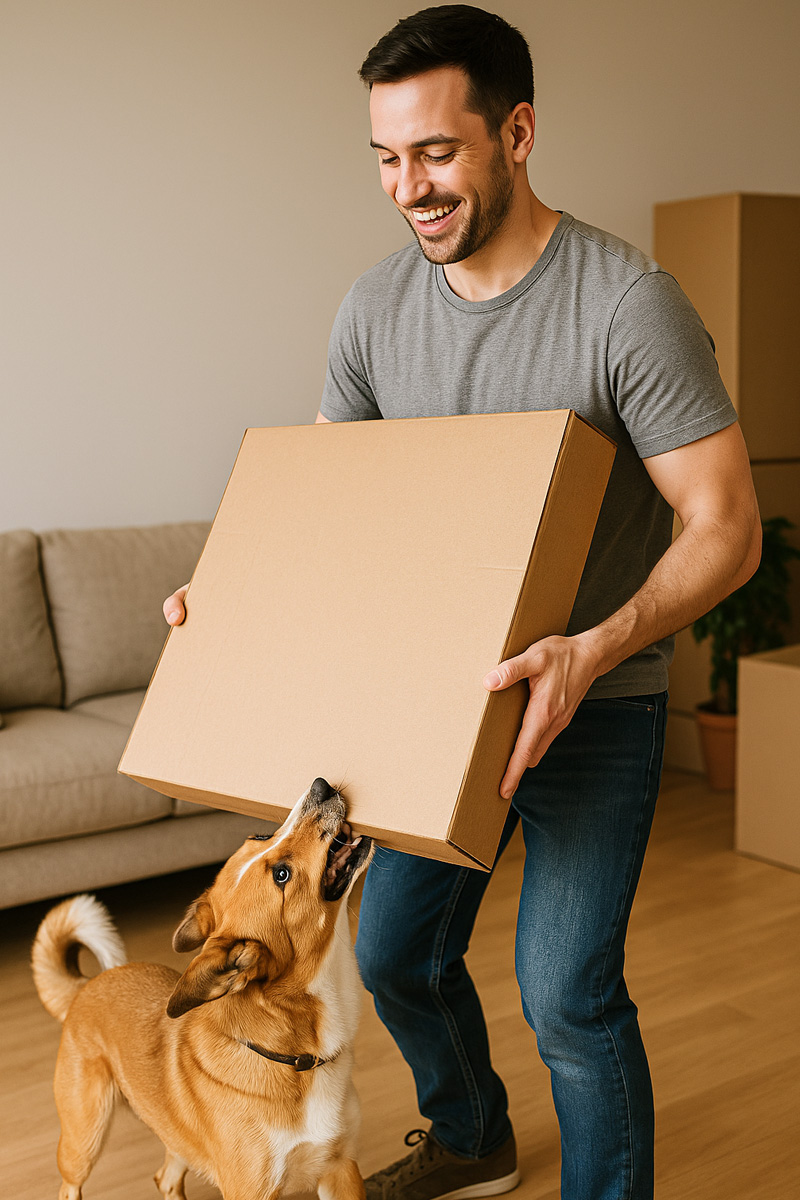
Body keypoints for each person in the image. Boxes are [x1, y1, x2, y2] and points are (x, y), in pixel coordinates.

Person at [164, 7, 761, 1199]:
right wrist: (234, 592)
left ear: (517, 133)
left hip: (593, 698)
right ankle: (474, 1133)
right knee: (392, 954)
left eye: (436, 153)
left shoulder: (625, 305)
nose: (408, 188)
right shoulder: (373, 310)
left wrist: (590, 648)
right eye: (387, 158)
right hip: (430, 709)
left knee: (567, 994)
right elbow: (329, 505)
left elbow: (726, 526)